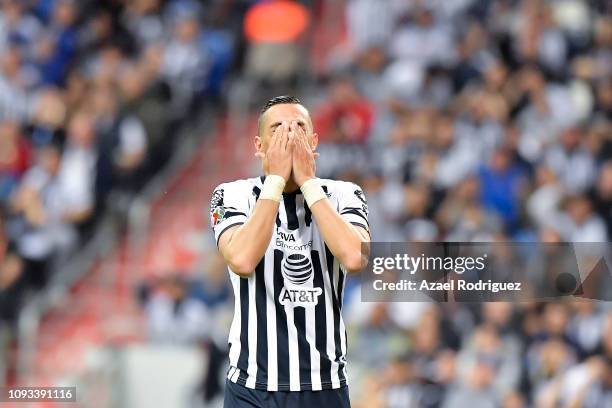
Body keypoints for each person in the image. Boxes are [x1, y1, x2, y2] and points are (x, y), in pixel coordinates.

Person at [210, 95, 370, 407]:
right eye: (278, 129)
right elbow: (242, 259)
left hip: (324, 385)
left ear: (314, 141)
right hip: (251, 385)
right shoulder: (231, 194)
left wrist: (309, 182)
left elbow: (354, 258)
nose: (289, 136)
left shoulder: (345, 194)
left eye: (298, 128)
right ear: (259, 146)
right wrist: (275, 181)